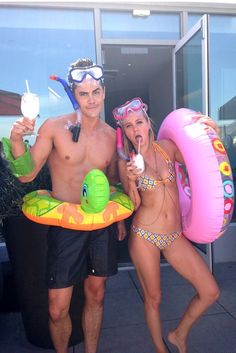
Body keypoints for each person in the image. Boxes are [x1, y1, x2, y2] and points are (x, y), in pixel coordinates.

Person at [7, 58, 126, 353]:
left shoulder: (112, 137)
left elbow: (112, 182)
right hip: (66, 226)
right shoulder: (54, 128)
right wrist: (16, 139)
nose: (91, 100)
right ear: (75, 94)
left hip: (100, 225)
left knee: (96, 295)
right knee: (57, 307)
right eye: (83, 94)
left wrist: (120, 220)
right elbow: (26, 174)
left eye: (95, 92)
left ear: (104, 92)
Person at [115, 97, 220, 353]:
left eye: (138, 122)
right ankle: (161, 350)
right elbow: (135, 205)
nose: (135, 129)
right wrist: (131, 182)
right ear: (125, 132)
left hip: (173, 236)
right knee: (154, 298)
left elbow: (202, 164)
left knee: (210, 292)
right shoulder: (125, 162)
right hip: (144, 235)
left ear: (148, 123)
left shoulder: (168, 148)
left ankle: (178, 334)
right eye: (128, 126)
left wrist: (209, 131)